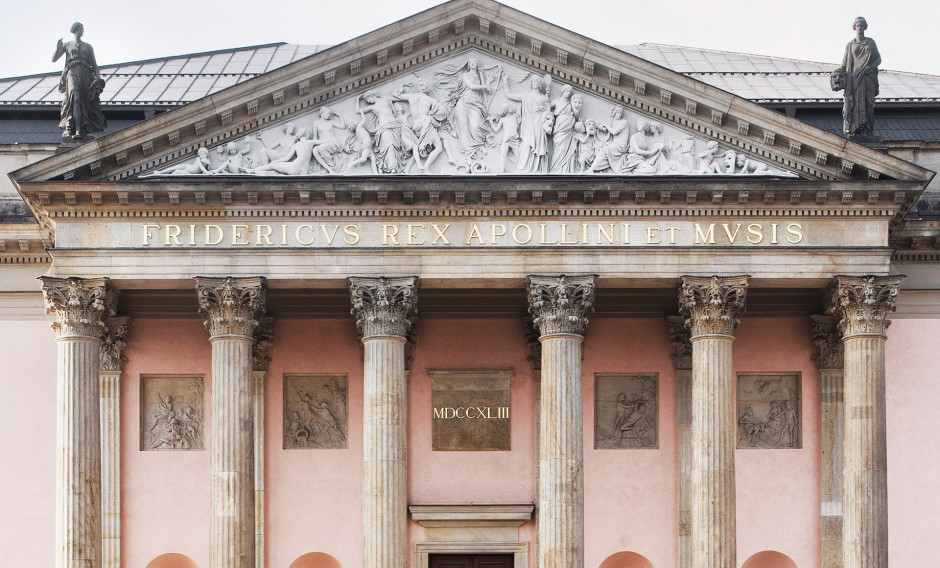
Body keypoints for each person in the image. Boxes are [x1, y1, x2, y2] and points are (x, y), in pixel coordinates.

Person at [52, 22, 107, 141]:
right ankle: (75, 129)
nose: (83, 31)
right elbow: (54, 59)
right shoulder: (67, 45)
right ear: (76, 30)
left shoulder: (88, 46)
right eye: (82, 28)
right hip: (72, 72)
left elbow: (94, 64)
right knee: (75, 97)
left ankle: (82, 128)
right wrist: (57, 50)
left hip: (86, 73)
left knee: (85, 100)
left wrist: (98, 79)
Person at [834, 17, 881, 137]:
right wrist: (837, 76)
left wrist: (870, 68)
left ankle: (867, 129)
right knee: (854, 103)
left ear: (865, 27)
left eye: (861, 25)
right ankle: (855, 130)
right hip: (853, 80)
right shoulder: (850, 45)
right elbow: (844, 64)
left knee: (867, 103)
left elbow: (878, 59)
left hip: (867, 78)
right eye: (857, 25)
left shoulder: (870, 42)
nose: (859, 28)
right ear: (854, 27)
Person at [503, 74, 551, 173]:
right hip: (528, 124)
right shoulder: (525, 95)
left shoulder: (543, 98)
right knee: (526, 145)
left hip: (538, 125)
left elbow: (548, 112)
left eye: (536, 82)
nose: (534, 83)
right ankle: (522, 169)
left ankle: (537, 169)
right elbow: (508, 95)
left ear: (539, 85)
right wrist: (505, 81)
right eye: (533, 82)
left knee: (538, 146)